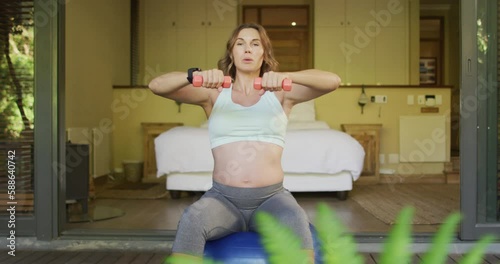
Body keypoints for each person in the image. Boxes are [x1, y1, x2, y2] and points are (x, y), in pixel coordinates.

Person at [149, 23, 340, 262]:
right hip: (223, 200)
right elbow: (156, 86)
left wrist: (286, 76)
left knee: (296, 218)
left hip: (272, 199)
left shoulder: (281, 93)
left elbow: (333, 81)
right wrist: (194, 75)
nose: (247, 49)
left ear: (264, 54)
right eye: (240, 44)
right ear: (232, 53)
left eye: (255, 44)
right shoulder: (214, 94)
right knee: (192, 219)